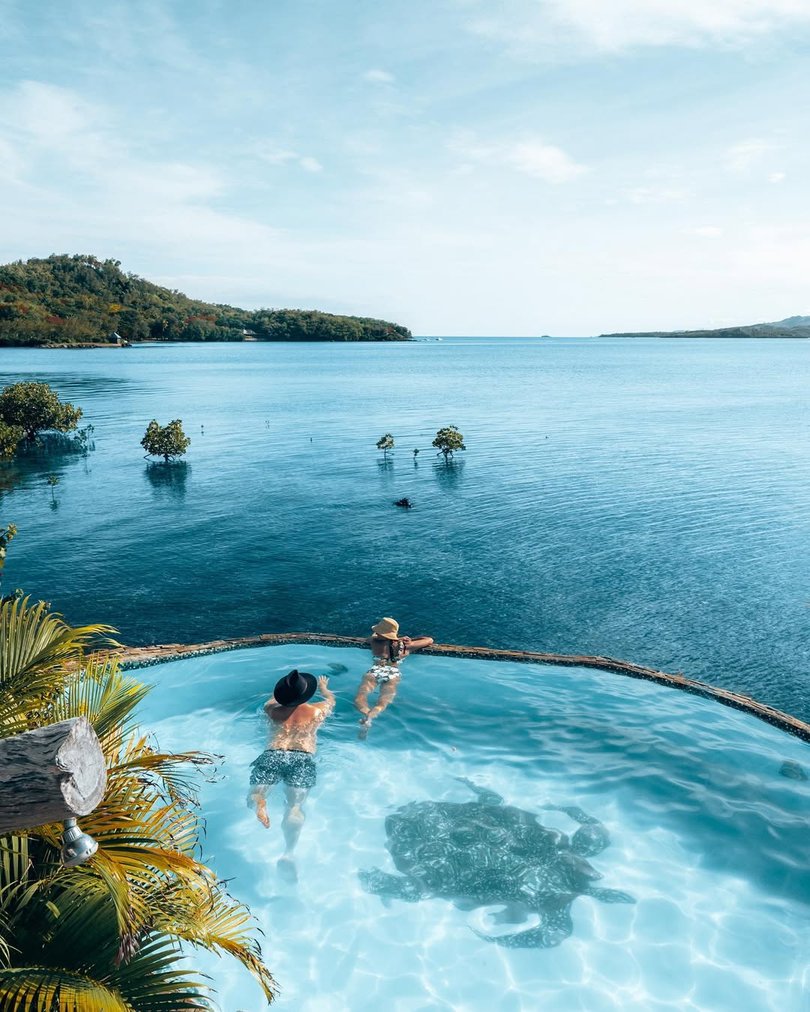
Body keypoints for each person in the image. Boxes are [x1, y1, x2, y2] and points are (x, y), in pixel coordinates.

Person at [248, 669, 335, 878]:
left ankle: (261, 804)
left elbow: (273, 699)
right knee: (294, 807)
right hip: (301, 758)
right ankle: (288, 853)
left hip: (273, 754)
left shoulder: (271, 710)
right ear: (306, 695)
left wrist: (280, 691)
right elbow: (331, 700)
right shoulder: (318, 711)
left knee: (256, 794)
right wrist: (324, 688)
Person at [354, 617, 433, 734]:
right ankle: (371, 716)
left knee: (360, 697)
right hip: (393, 673)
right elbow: (429, 640)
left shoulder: (374, 642)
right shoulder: (405, 646)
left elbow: (369, 638)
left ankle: (366, 713)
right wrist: (410, 640)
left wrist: (390, 637)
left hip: (375, 671)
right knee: (383, 702)